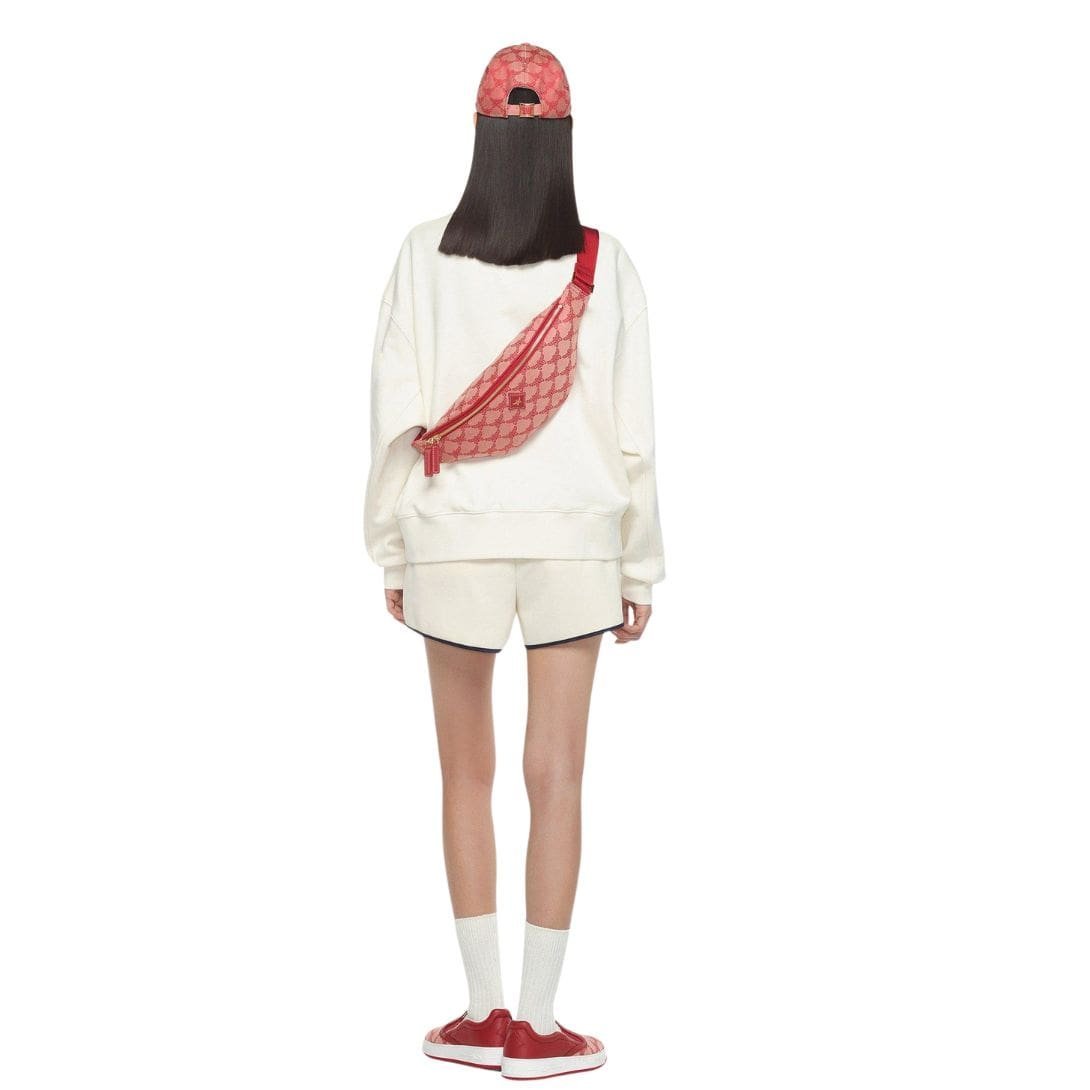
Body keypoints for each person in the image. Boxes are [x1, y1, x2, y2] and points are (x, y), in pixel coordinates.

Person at [363, 43, 665, 1079]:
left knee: (465, 772)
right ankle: (539, 1025)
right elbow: (634, 432)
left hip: (452, 538)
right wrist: (637, 566)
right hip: (576, 540)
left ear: (480, 134)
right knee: (558, 774)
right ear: (563, 138)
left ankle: (480, 1012)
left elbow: (394, 413)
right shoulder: (604, 263)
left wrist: (392, 545)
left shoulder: (421, 255)